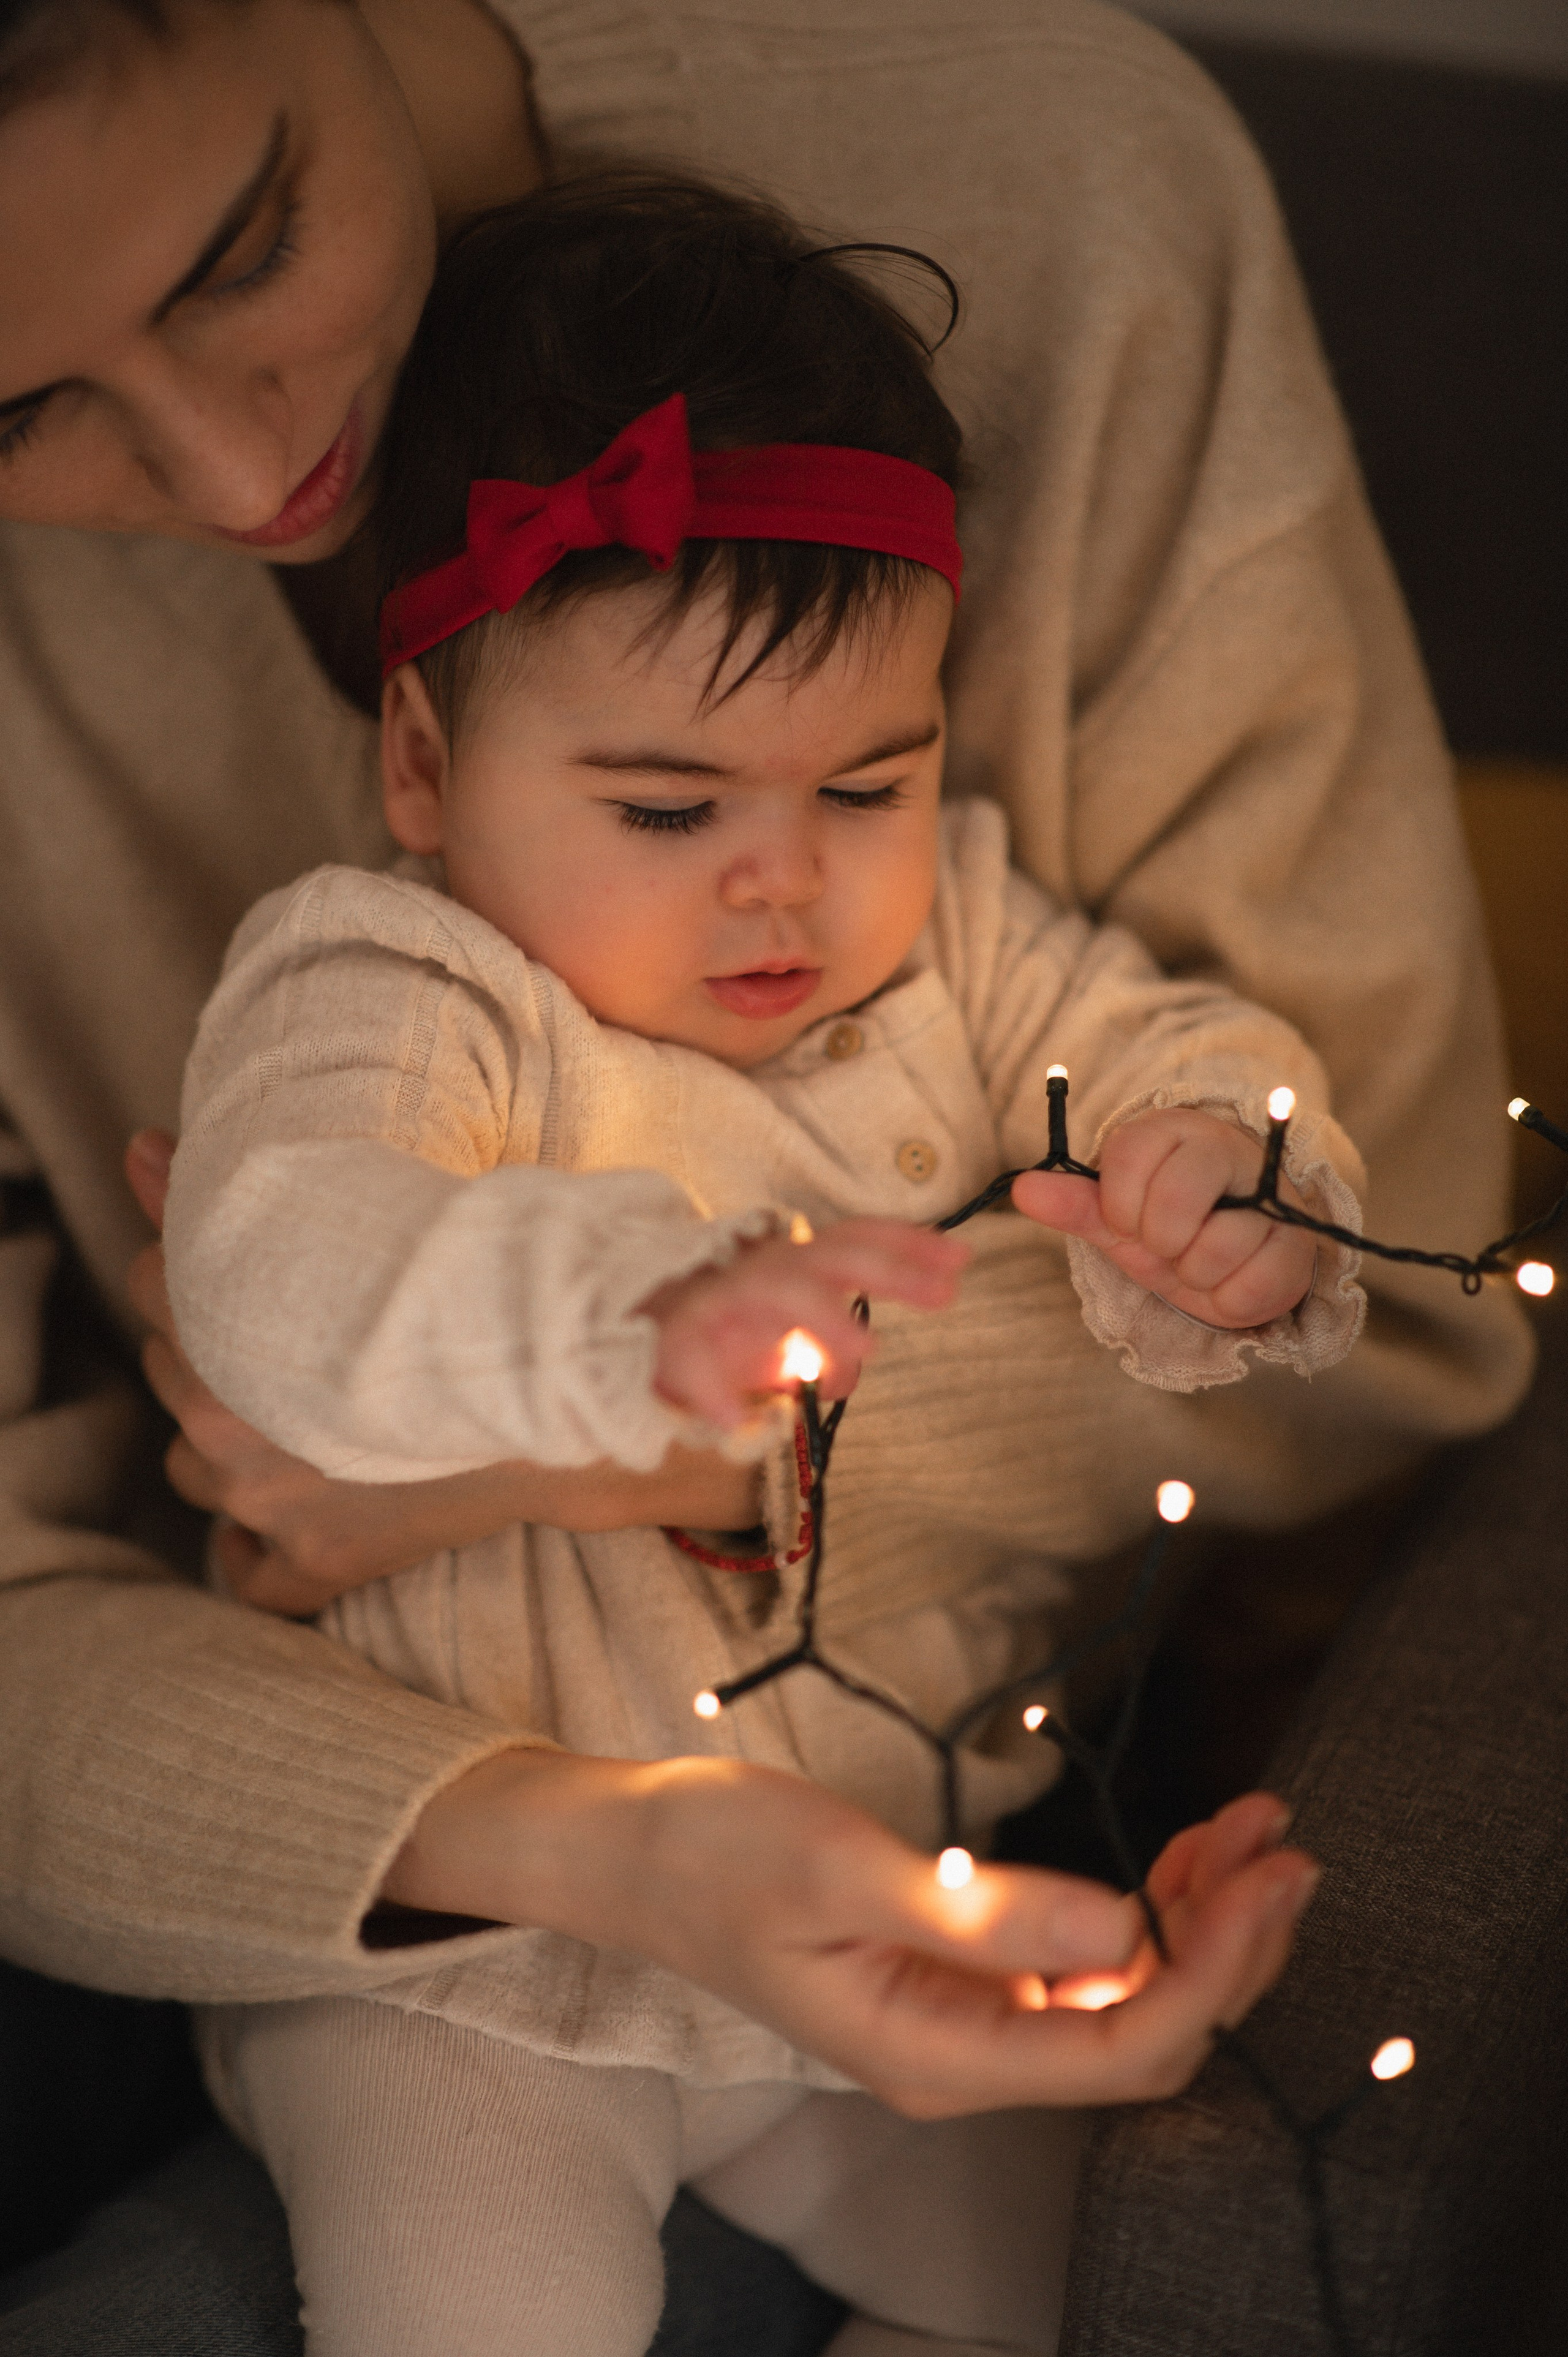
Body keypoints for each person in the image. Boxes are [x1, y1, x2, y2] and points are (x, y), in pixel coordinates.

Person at [0, 0, 1529, 2345]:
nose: (784, 884)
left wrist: (1211, 1155)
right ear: (418, 765)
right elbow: (289, 1253)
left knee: (1116, 2278)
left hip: (873, 1885)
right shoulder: (390, 980)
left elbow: (1233, 1108)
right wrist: (620, 1333)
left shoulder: (959, 922)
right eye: (664, 808)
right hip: (465, 1965)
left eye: (868, 784)